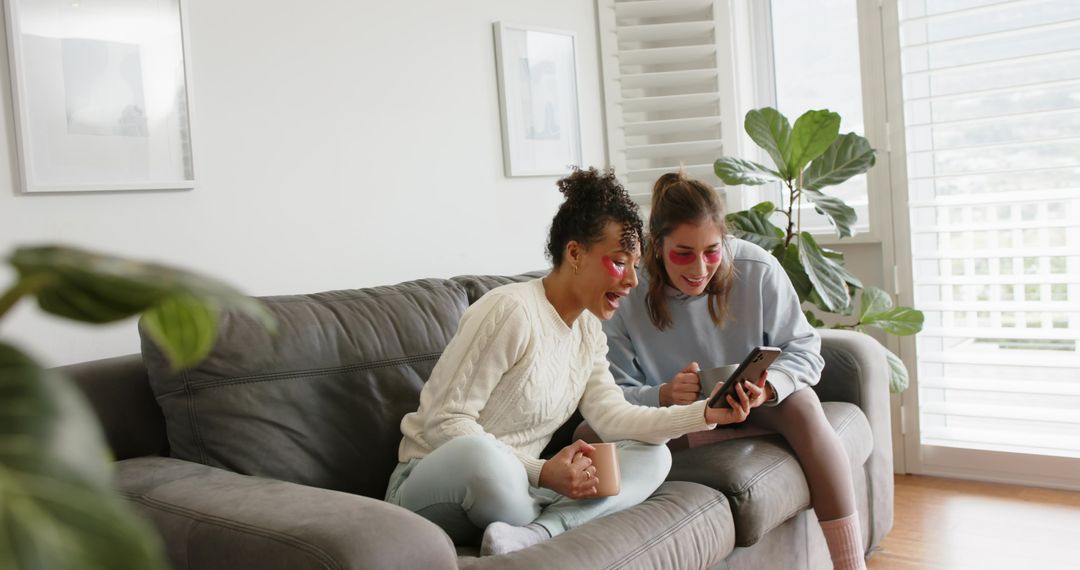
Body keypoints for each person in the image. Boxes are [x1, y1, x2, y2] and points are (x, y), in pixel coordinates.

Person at [384, 167, 763, 556]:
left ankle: (539, 532)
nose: (632, 281)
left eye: (635, 265)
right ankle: (539, 512)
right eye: (619, 262)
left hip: (520, 488)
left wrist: (707, 413)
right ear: (575, 253)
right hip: (434, 482)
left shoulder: (588, 331)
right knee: (483, 457)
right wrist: (542, 472)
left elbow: (615, 418)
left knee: (652, 455)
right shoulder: (510, 311)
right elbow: (446, 422)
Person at [600, 171, 867, 570]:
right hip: (678, 419)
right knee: (590, 434)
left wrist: (769, 387)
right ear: (656, 245)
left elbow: (806, 349)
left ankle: (850, 565)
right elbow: (613, 392)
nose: (700, 267)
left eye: (711, 251)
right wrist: (664, 395)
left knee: (804, 406)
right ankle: (726, 432)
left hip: (755, 401)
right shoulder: (628, 290)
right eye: (683, 253)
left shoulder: (756, 267)